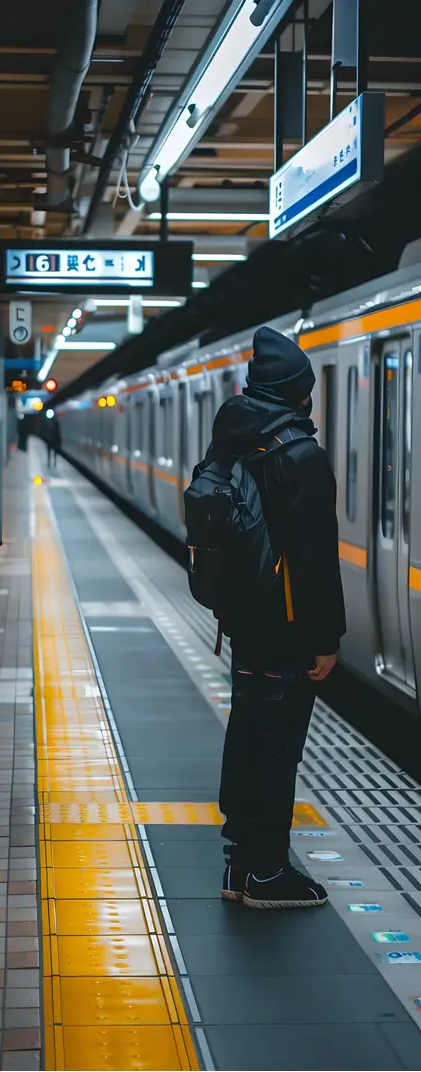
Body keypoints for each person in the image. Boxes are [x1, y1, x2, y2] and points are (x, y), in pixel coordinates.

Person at [215, 326, 346, 909]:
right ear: (298, 392)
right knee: (278, 749)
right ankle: (268, 872)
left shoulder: (232, 438)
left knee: (247, 736)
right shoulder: (300, 453)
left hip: (243, 621)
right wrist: (326, 638)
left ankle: (239, 865)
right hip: (288, 628)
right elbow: (316, 557)